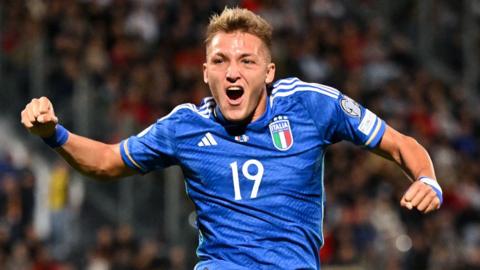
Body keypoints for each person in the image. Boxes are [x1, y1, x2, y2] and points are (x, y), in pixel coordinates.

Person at [21, 7, 442, 270]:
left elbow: (399, 143)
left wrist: (426, 178)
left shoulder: (311, 106)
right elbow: (109, 160)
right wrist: (54, 134)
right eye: (220, 61)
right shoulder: (185, 126)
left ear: (269, 72)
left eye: (246, 60)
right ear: (206, 72)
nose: (232, 72)